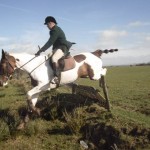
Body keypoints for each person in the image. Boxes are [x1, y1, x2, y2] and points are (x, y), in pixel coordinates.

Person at [35, 16, 73, 84]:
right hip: (57, 48)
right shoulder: (53, 30)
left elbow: (50, 42)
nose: (47, 26)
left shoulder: (56, 30)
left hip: (62, 47)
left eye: (47, 24)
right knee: (48, 57)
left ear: (50, 23)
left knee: (54, 58)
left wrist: (40, 50)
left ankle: (56, 77)